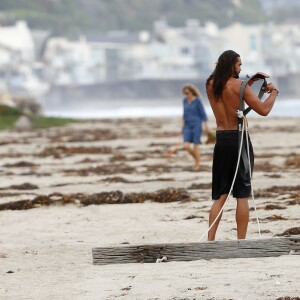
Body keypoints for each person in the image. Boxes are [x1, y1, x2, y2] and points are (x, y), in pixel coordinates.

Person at [206, 50, 279, 240]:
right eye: (239, 65)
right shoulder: (239, 85)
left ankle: (210, 240)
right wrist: (273, 92)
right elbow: (263, 110)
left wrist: (249, 83)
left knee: (220, 195)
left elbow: (231, 94)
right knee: (242, 194)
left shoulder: (210, 84)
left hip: (221, 139)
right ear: (232, 65)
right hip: (239, 140)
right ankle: (241, 241)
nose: (241, 68)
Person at [182, 84, 209, 171]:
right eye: (184, 93)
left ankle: (197, 164)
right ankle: (197, 159)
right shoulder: (184, 101)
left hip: (197, 124)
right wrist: (182, 125)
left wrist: (206, 126)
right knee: (186, 145)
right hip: (187, 125)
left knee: (195, 145)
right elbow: (184, 113)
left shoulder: (198, 101)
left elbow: (203, 114)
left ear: (192, 92)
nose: (186, 95)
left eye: (187, 93)